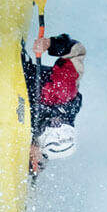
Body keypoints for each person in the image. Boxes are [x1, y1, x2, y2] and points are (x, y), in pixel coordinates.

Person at [23, 33, 85, 173]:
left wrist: (34, 164)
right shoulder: (61, 93)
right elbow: (76, 50)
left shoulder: (37, 141)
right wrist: (50, 44)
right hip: (20, 68)